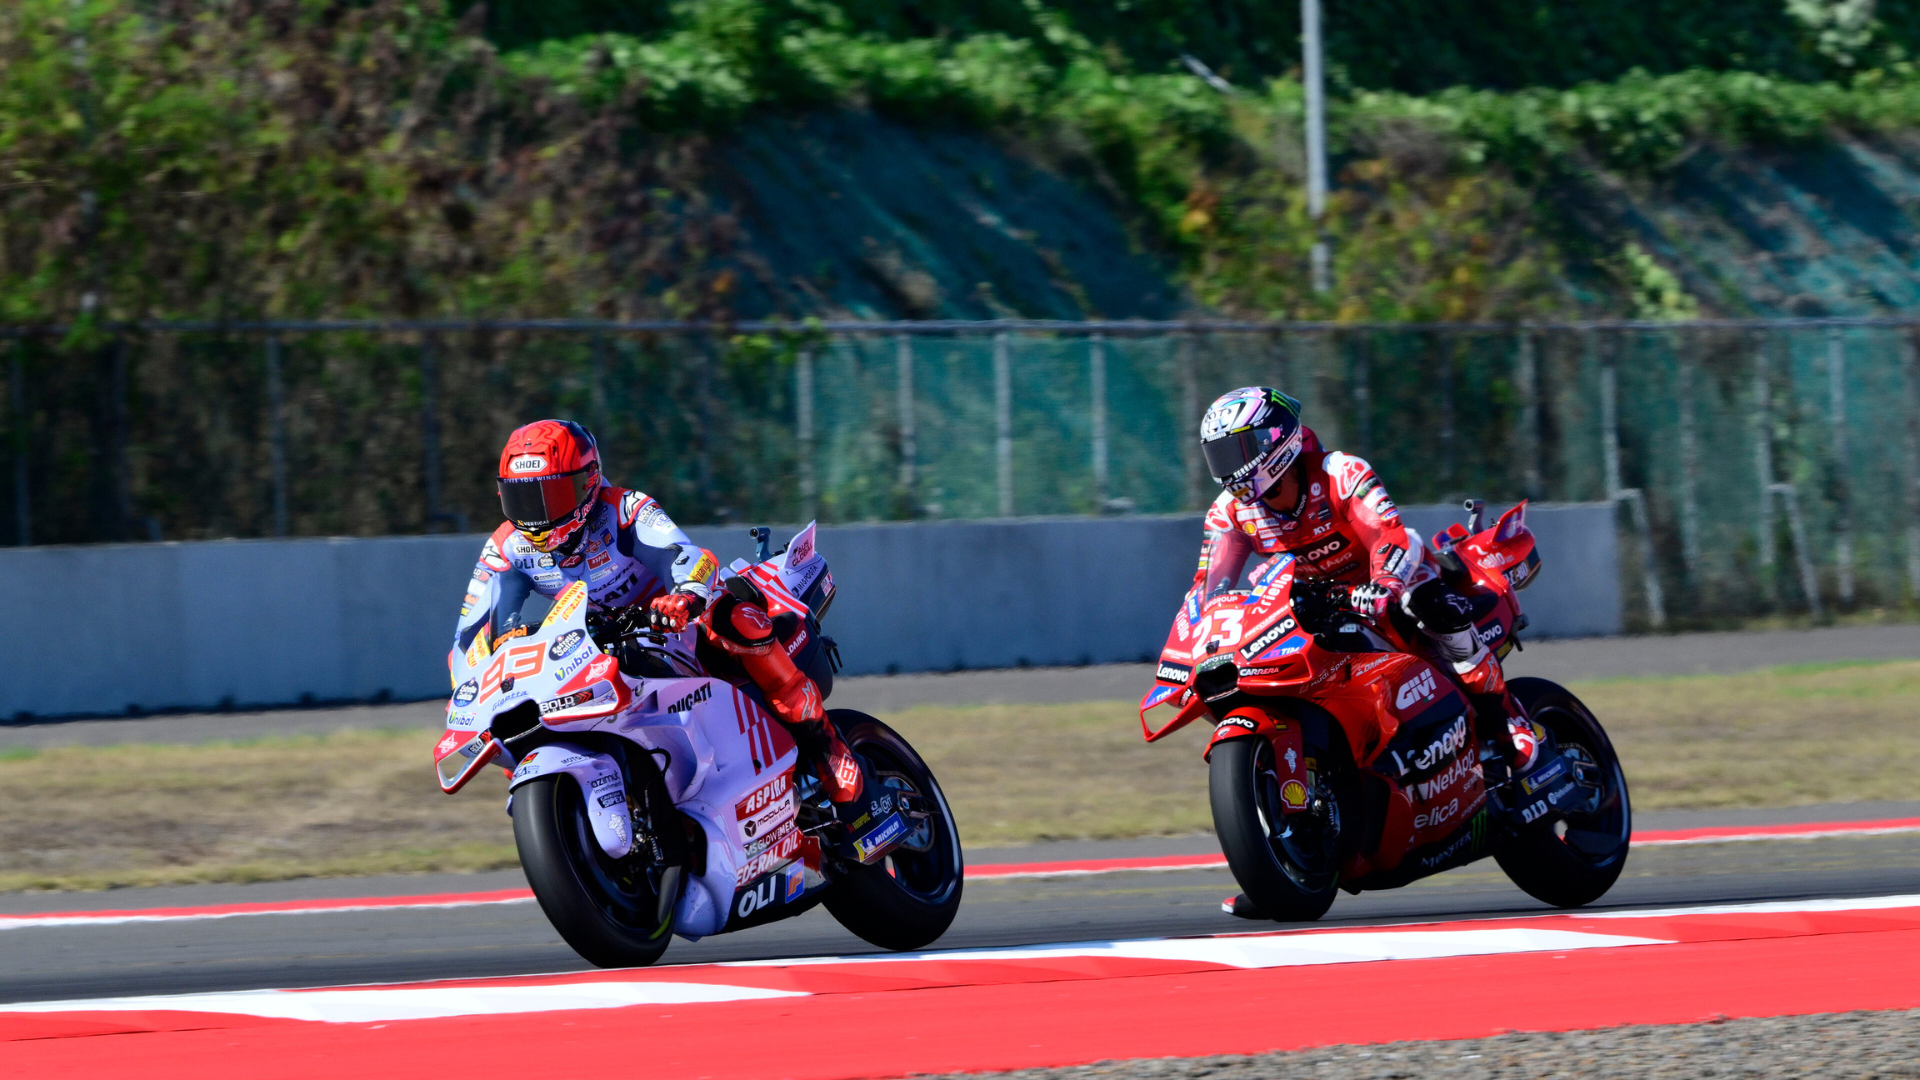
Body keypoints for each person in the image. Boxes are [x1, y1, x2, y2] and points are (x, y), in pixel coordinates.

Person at [454, 419, 873, 822]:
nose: (537, 515)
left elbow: (685, 555)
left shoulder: (623, 510)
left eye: (551, 496)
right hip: (595, 646)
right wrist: (475, 679)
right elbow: (469, 638)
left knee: (733, 619)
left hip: (675, 624)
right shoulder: (507, 548)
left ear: (588, 481)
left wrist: (686, 596)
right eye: (522, 500)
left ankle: (824, 744)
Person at [1194, 387, 1539, 776]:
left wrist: (1384, 585)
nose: (1229, 468)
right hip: (1312, 604)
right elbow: (1209, 586)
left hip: (1390, 580)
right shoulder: (1228, 513)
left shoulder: (1341, 472)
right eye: (1219, 455)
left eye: (1238, 452)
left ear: (1275, 439)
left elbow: (1387, 534)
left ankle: (1508, 719)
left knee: (1430, 606)